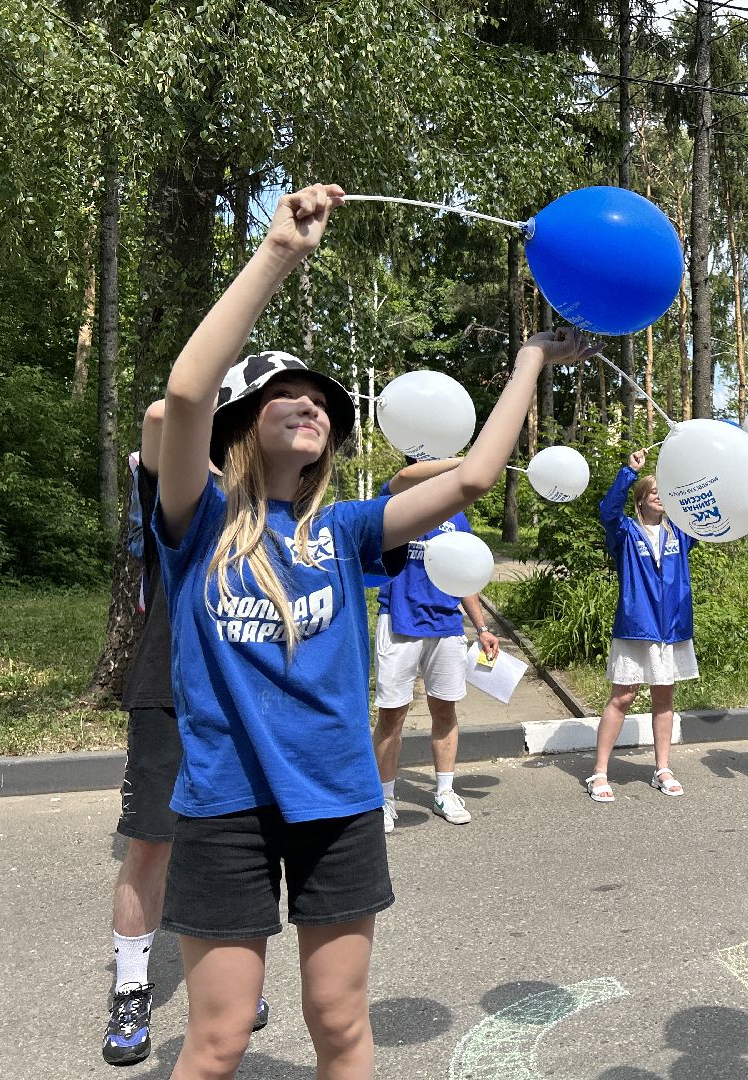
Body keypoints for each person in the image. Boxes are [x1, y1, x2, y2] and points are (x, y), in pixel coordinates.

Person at [153, 182, 592, 1079]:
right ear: (245, 422)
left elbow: (471, 480)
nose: (311, 404)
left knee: (342, 1026)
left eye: (322, 399)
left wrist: (528, 362)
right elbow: (186, 389)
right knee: (219, 1039)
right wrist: (279, 253)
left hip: (338, 796)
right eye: (288, 394)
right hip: (225, 806)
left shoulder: (345, 530)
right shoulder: (195, 517)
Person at [101, 404, 269, 1066]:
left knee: (241, 851)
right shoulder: (179, 494)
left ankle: (237, 981)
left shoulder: (273, 512)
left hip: (241, 705)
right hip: (167, 694)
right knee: (150, 847)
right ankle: (132, 989)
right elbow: (159, 414)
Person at [370, 457, 501, 832]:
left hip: (446, 625)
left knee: (445, 711)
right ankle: (384, 798)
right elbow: (404, 476)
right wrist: (473, 458)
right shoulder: (394, 502)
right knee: (392, 716)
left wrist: (481, 626)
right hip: (399, 621)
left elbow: (465, 575)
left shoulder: (456, 517)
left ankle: (445, 791)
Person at [586, 448, 698, 802]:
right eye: (655, 493)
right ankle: (599, 772)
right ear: (640, 501)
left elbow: (704, 514)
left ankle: (662, 768)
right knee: (624, 696)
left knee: (664, 698)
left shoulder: (680, 534)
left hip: (672, 628)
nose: (661, 497)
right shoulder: (624, 532)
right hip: (637, 626)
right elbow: (607, 511)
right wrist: (628, 473)